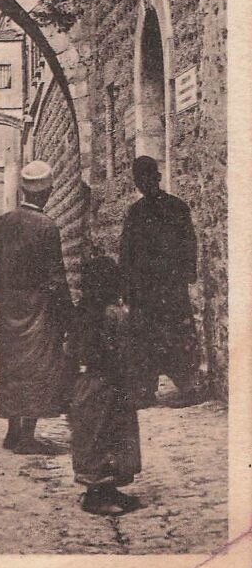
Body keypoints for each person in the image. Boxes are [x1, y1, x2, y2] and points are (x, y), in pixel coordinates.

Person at [0, 160, 74, 454]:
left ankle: (12, 432)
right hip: (38, 308)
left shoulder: (3, 222)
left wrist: (5, 297)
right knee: (38, 368)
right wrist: (66, 313)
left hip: (11, 306)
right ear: (47, 192)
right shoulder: (47, 227)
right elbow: (56, 276)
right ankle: (27, 436)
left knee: (11, 367)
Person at [119, 155, 203, 408]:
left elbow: (189, 243)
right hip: (145, 290)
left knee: (177, 336)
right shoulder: (136, 212)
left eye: (148, 178)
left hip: (169, 287)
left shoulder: (177, 207)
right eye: (140, 180)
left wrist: (188, 273)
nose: (145, 184)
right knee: (144, 339)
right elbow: (126, 253)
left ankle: (188, 387)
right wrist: (126, 286)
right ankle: (145, 389)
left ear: (156, 178)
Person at [66, 250, 141, 516]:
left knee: (92, 437)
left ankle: (106, 490)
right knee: (112, 437)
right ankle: (97, 497)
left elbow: (71, 352)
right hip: (110, 385)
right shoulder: (115, 315)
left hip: (85, 384)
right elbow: (124, 353)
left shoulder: (82, 313)